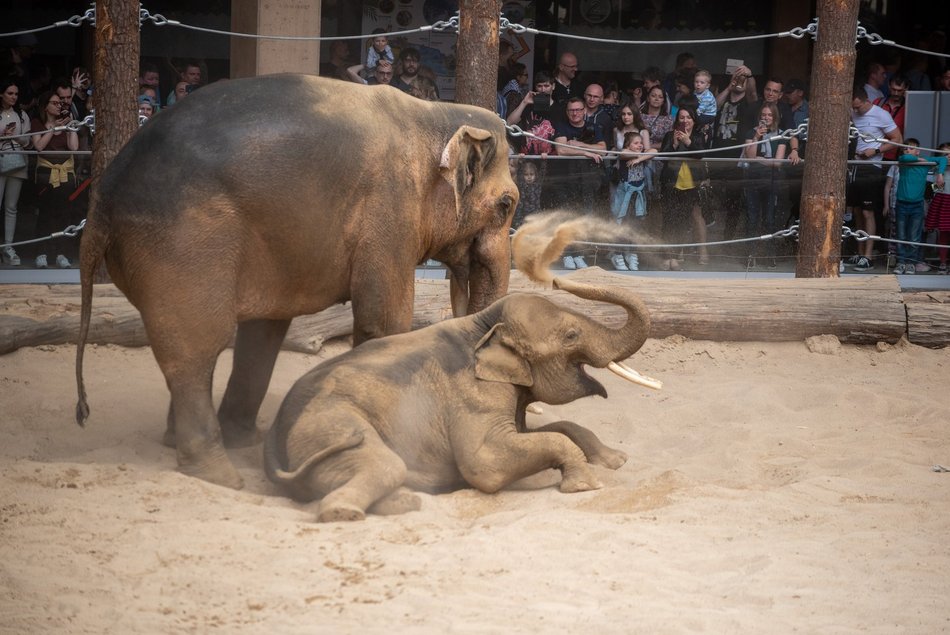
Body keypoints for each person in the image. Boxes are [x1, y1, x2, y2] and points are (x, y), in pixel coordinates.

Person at [846, 86, 902, 271]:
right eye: (853, 108)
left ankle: (868, 256)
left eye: (858, 107)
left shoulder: (881, 114)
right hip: (854, 165)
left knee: (868, 212)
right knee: (856, 211)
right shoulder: (852, 112)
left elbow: (897, 139)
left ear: (866, 100)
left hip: (872, 166)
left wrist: (875, 150)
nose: (855, 111)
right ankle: (860, 253)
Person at [552, 96, 606, 269]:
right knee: (567, 218)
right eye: (571, 110)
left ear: (584, 111)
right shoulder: (561, 127)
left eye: (578, 110)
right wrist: (587, 153)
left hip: (588, 183)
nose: (574, 113)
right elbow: (561, 150)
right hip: (565, 182)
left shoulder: (594, 127)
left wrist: (578, 145)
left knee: (583, 219)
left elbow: (603, 150)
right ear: (567, 112)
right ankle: (567, 254)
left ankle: (578, 254)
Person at [30, 90, 80, 269]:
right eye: (55, 103)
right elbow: (39, 146)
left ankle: (61, 254)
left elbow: (74, 147)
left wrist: (71, 125)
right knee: (45, 214)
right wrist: (53, 129)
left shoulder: (66, 123)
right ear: (46, 107)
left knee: (64, 214)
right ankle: (42, 253)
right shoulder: (37, 122)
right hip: (46, 174)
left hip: (65, 173)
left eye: (60, 103)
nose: (59, 106)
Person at [659, 106, 709, 269]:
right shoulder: (669, 135)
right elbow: (662, 158)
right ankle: (667, 256)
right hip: (670, 183)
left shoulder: (699, 136)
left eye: (688, 117)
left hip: (690, 185)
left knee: (682, 221)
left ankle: (677, 255)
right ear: (677, 120)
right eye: (681, 118)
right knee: (669, 220)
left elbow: (700, 154)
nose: (685, 121)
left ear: (694, 121)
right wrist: (674, 143)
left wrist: (687, 141)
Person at [889, 140, 947, 274]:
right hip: (901, 204)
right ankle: (901, 262)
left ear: (918, 151)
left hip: (917, 205)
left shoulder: (924, 162)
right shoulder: (904, 161)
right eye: (905, 149)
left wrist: (939, 174)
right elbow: (904, 157)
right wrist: (919, 159)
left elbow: (943, 159)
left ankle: (911, 263)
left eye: (911, 148)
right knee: (901, 235)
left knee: (914, 237)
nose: (907, 151)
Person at [741, 102, 788, 268]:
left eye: (769, 115)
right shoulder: (751, 132)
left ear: (774, 117)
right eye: (763, 115)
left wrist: (760, 160)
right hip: (753, 180)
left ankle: (769, 255)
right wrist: (756, 138)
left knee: (769, 219)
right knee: (752, 218)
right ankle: (750, 255)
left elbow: (778, 162)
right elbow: (750, 155)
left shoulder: (781, 135)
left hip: (772, 182)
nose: (766, 118)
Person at [609, 131, 655, 271]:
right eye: (636, 143)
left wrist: (639, 159)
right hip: (624, 197)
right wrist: (639, 155)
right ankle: (617, 254)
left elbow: (654, 151)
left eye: (641, 143)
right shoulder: (625, 153)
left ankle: (631, 252)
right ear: (628, 145)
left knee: (635, 225)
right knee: (622, 224)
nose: (640, 145)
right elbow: (623, 153)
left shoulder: (640, 155)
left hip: (638, 196)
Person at [0, 79, 31, 266]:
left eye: (16, 94)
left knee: (11, 207)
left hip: (18, 163)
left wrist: (16, 137)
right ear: (1, 94)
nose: (13, 97)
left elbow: (28, 141)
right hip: (1, 161)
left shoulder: (21, 115)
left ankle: (8, 247)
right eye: (10, 93)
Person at [506, 72, 556, 156]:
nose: (543, 90)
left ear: (553, 86)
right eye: (539, 86)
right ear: (535, 87)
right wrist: (524, 102)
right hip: (527, 158)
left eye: (546, 86)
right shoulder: (528, 106)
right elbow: (509, 123)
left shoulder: (559, 108)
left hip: (550, 158)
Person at [924, 142, 950, 273]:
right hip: (943, 199)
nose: (947, 156)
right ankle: (943, 262)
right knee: (943, 234)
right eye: (944, 154)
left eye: (949, 153)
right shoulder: (938, 167)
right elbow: (935, 187)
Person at [874, 74, 908, 161]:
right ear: (889, 86)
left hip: (896, 154)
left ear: (906, 89)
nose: (896, 93)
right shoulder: (878, 102)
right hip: (874, 152)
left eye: (899, 90)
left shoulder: (908, 107)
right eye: (893, 89)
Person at [512, 160, 542, 229]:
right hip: (522, 214)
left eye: (531, 174)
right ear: (523, 176)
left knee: (535, 229)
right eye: (526, 175)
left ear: (535, 175)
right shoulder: (522, 185)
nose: (529, 177)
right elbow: (519, 173)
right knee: (521, 228)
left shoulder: (537, 185)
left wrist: (544, 160)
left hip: (535, 214)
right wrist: (520, 160)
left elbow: (542, 172)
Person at [693, 69, 717, 139]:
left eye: (702, 82)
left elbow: (701, 109)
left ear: (707, 85)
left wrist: (692, 114)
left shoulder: (707, 96)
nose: (698, 84)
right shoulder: (695, 92)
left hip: (708, 115)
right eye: (696, 82)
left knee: (696, 119)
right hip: (701, 113)